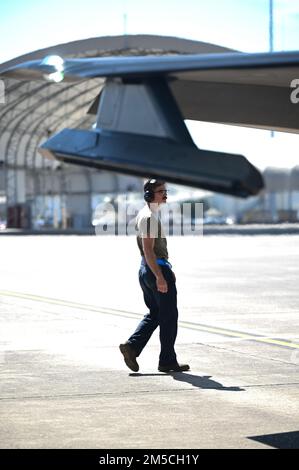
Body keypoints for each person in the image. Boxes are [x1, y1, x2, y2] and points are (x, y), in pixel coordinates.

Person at [119, 178, 190, 373]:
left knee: (156, 314)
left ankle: (132, 346)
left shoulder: (145, 215)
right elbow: (148, 250)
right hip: (154, 269)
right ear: (149, 195)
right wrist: (160, 275)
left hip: (147, 269)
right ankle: (167, 361)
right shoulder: (149, 217)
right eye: (160, 191)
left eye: (165, 191)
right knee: (169, 317)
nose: (165, 195)